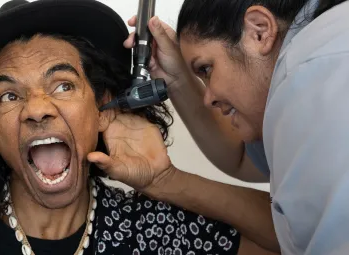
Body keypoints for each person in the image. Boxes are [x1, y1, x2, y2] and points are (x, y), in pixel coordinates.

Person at [0, 0, 278, 254]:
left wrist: (165, 181)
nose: (37, 109)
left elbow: (297, 241)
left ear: (103, 108)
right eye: (10, 96)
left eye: (63, 85)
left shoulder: (151, 228)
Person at [89, 0, 349, 254]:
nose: (208, 97)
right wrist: (178, 79)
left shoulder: (310, 76)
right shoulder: (324, 46)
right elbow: (244, 157)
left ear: (259, 31)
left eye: (206, 69)